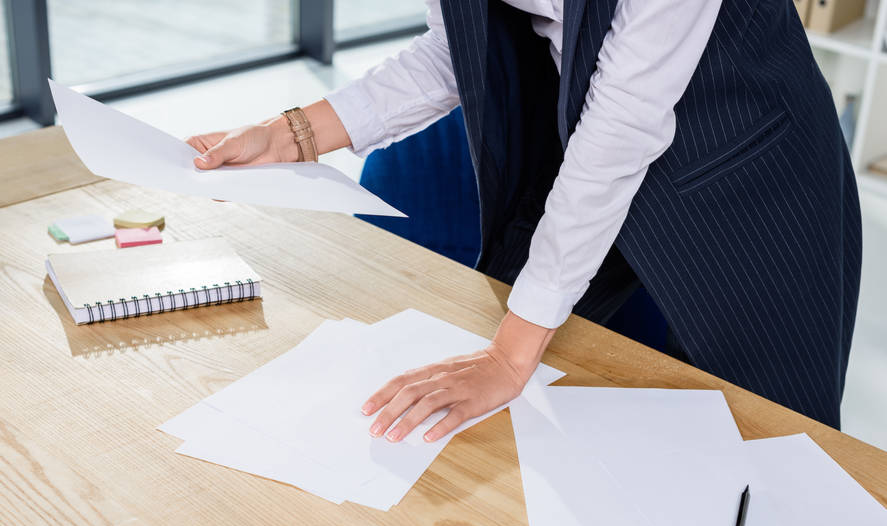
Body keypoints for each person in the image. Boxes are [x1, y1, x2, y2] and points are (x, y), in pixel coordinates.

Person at [186, 0, 861, 440]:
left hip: (747, 179)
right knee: (565, 426)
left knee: (777, 442)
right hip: (589, 155)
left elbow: (623, 122)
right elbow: (454, 50)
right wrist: (290, 134)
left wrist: (509, 354)